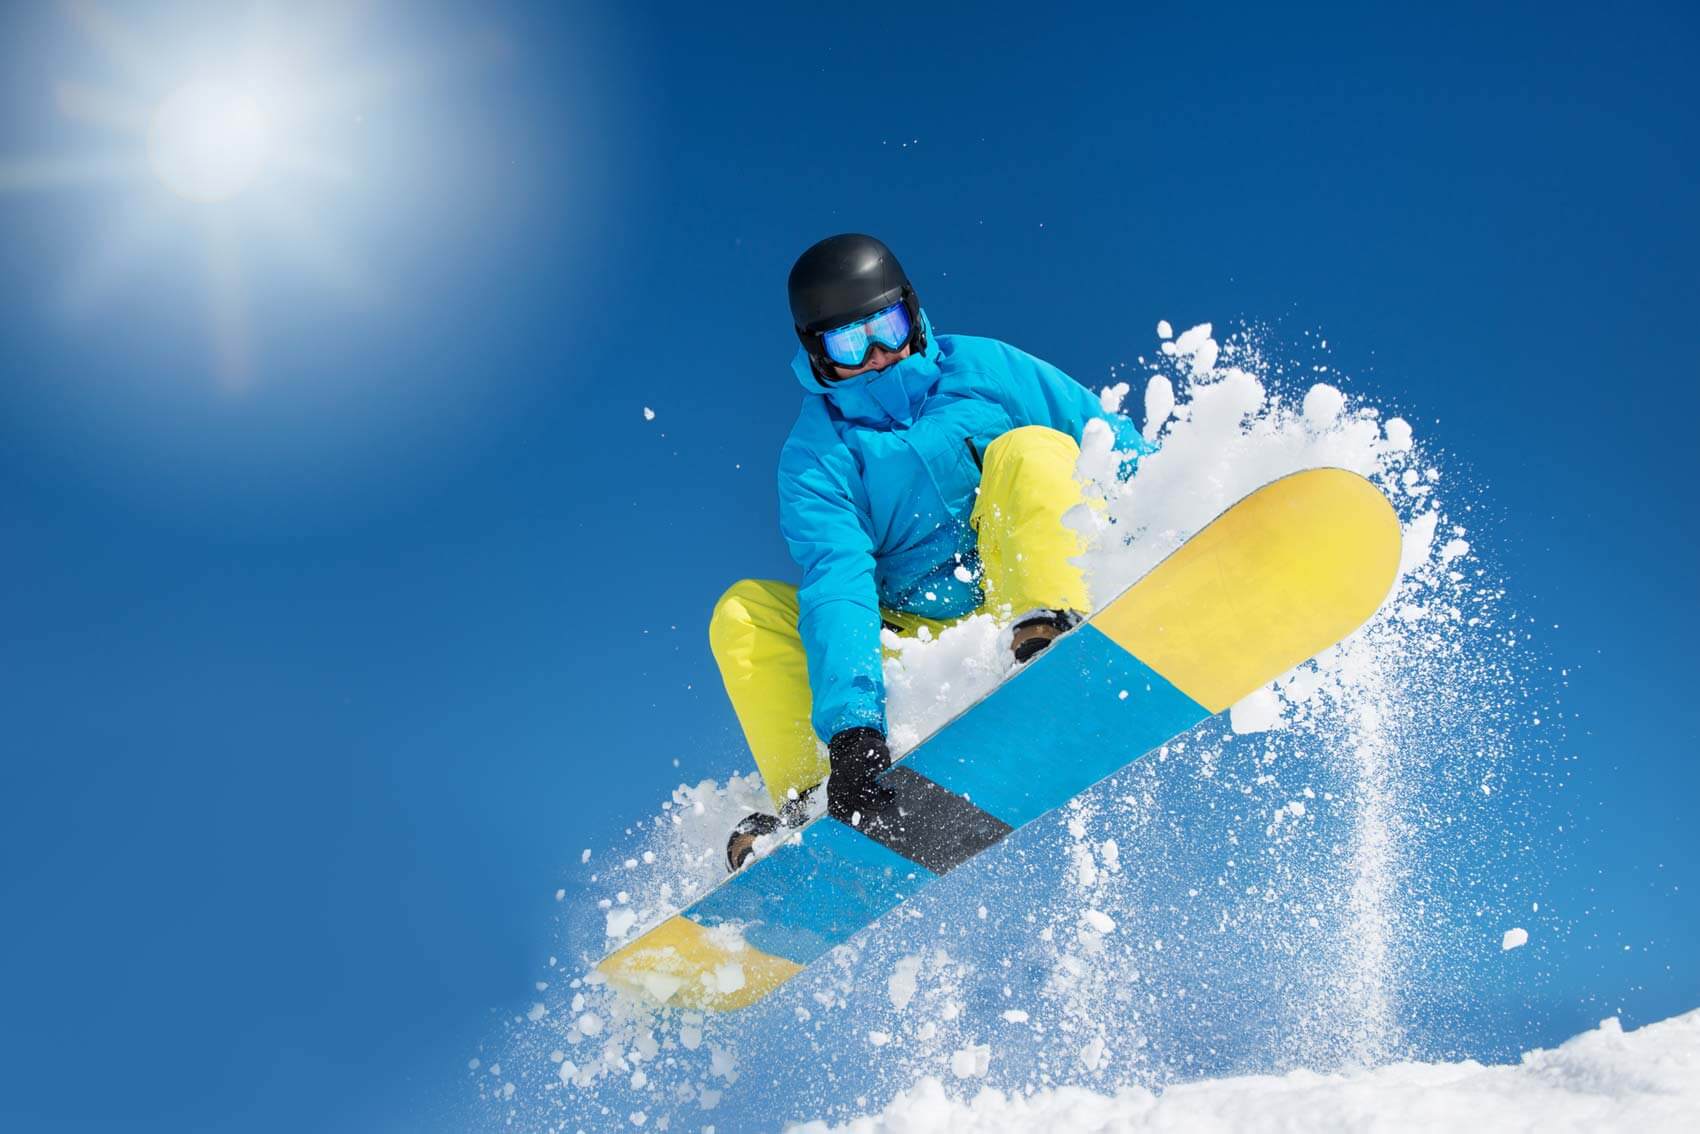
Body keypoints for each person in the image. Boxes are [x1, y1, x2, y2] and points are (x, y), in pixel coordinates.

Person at [711, 234, 1150, 870]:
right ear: (817, 353)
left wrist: (1184, 511)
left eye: (886, 326)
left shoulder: (985, 369)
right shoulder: (817, 456)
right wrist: (855, 730)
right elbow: (840, 580)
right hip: (917, 633)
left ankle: (1049, 633)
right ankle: (815, 797)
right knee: (743, 611)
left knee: (1028, 448)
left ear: (912, 313)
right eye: (848, 343)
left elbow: (1104, 438)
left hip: (1031, 578)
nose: (878, 355)